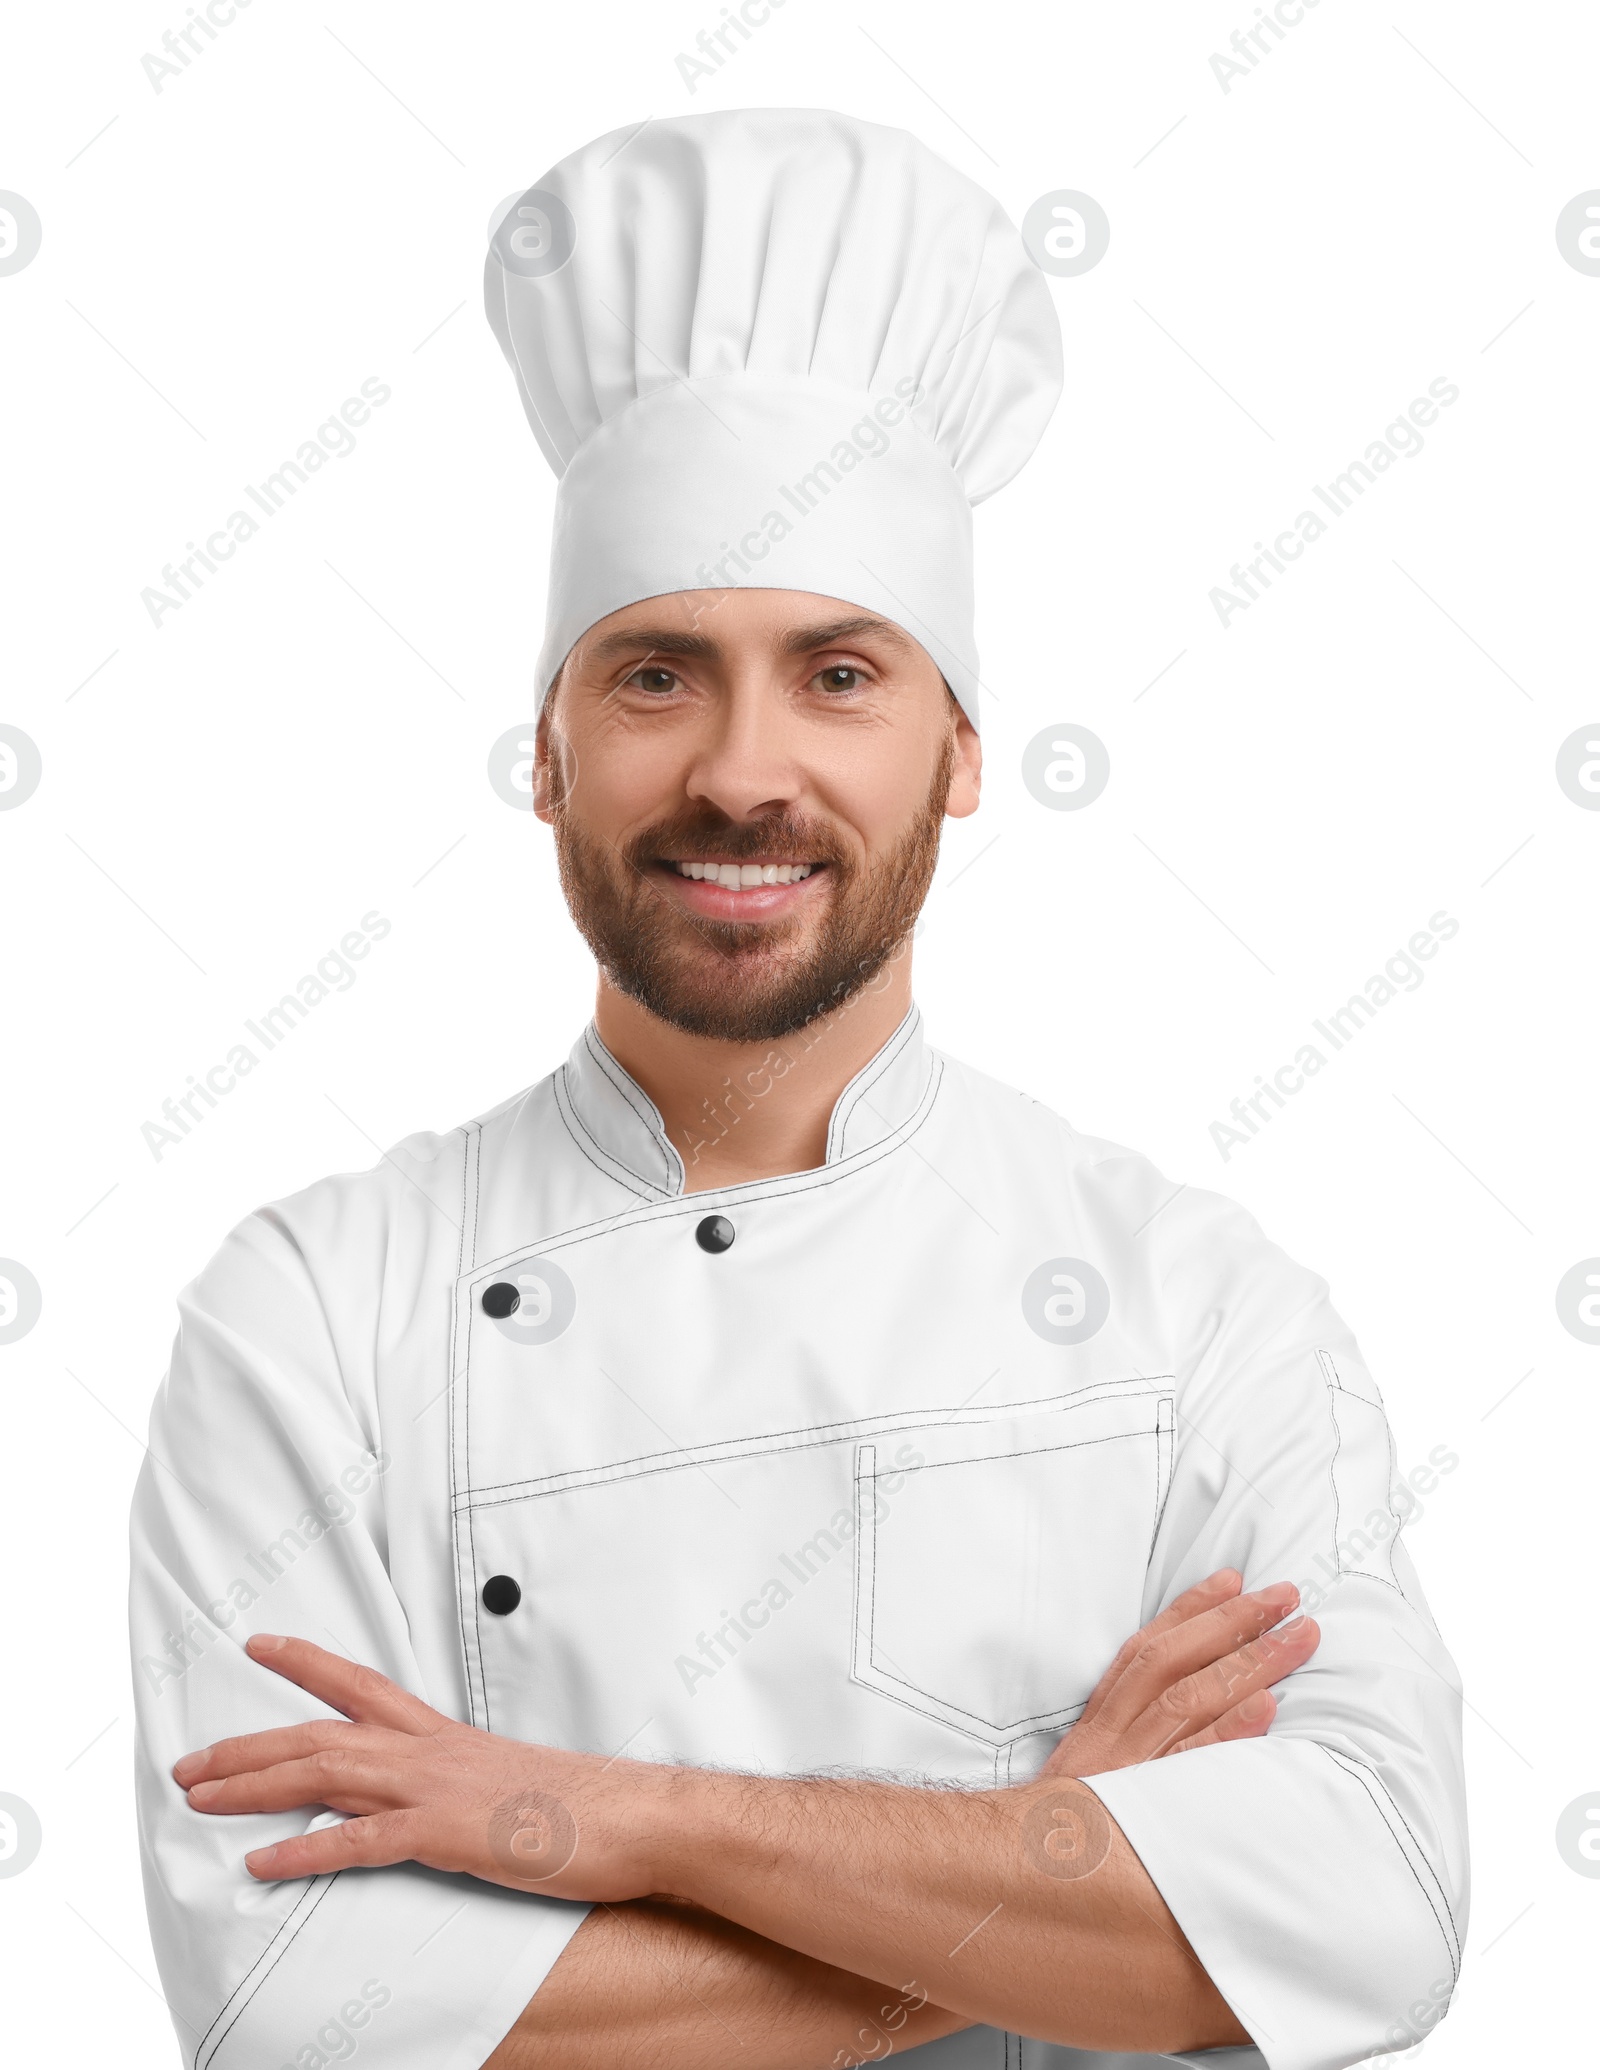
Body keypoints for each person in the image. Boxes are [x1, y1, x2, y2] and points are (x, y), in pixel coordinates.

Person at [130, 110, 1466, 2070]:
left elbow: (1369, 1916)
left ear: (957, 753)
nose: (745, 773)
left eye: (838, 675)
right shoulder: (322, 1310)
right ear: (546, 754)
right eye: (656, 673)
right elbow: (300, 2015)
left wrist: (619, 1820)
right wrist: (1037, 1871)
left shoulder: (1190, 1307)